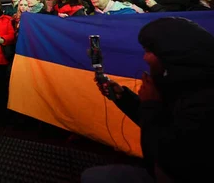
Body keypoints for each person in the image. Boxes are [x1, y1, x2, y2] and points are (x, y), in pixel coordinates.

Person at [82, 17, 214, 182]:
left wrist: (151, 104)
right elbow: (161, 120)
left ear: (174, 54)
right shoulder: (179, 83)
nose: (145, 58)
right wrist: (123, 98)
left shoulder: (204, 100)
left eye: (149, 51)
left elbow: (168, 156)